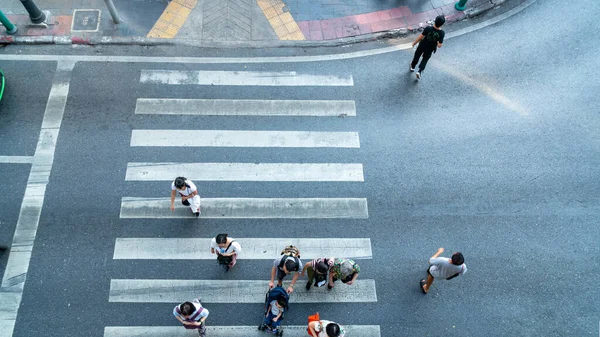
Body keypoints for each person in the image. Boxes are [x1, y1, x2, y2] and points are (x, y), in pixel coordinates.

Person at [410, 15, 446, 80]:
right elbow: (439, 46)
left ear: (435, 21)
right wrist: (437, 42)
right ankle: (419, 71)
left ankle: (412, 67)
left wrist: (414, 43)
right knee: (425, 59)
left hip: (422, 45)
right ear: (442, 24)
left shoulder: (428, 28)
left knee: (417, 56)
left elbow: (421, 36)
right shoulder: (442, 33)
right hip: (430, 49)